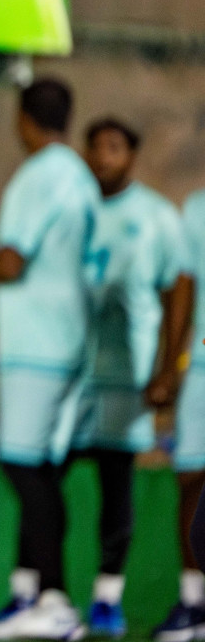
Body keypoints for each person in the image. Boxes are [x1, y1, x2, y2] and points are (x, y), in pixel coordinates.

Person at [0, 77, 100, 641]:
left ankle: (55, 601)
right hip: (73, 336)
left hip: (36, 342)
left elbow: (11, 263)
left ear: (24, 120)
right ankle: (32, 592)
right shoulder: (79, 173)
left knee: (22, 465)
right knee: (41, 468)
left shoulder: (38, 174)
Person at [76, 117, 192, 637]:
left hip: (127, 373)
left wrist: (167, 368)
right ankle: (37, 587)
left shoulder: (158, 216)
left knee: (116, 480)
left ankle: (108, 595)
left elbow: (178, 289)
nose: (104, 157)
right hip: (70, 371)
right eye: (96, 147)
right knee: (40, 477)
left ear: (132, 155)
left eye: (115, 148)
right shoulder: (70, 211)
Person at [164, 187, 205, 641]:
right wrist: (168, 365)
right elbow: (184, 288)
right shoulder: (196, 209)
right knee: (191, 476)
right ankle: (194, 602)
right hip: (204, 361)